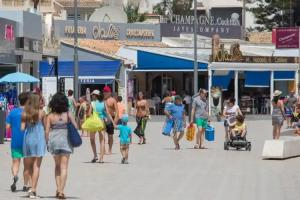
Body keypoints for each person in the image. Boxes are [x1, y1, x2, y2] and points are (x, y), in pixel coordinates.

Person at [45, 92, 77, 199]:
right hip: (65, 141)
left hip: (54, 141)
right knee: (64, 167)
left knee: (57, 166)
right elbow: (76, 126)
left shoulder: (50, 115)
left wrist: (47, 142)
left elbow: (46, 131)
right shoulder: (68, 114)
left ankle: (58, 188)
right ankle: (61, 191)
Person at [21, 93, 47, 199]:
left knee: (30, 165)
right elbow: (46, 128)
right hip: (39, 139)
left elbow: (22, 129)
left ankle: (30, 188)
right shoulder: (42, 113)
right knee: (37, 166)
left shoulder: (25, 113)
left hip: (28, 139)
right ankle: (34, 189)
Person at [6, 92, 31, 192]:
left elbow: (7, 127)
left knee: (15, 162)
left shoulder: (12, 112)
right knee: (27, 165)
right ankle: (25, 185)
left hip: (15, 141)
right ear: (28, 101)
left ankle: (15, 175)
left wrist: (14, 126)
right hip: (27, 141)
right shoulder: (30, 112)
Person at [87, 90, 113, 163]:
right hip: (101, 122)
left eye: (93, 95)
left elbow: (89, 114)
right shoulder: (104, 103)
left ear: (95, 95)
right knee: (102, 140)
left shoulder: (92, 103)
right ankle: (101, 159)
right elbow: (107, 113)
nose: (92, 96)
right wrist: (111, 122)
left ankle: (95, 155)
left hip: (94, 122)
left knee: (92, 139)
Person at [103, 86, 119, 154]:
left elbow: (117, 111)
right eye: (104, 92)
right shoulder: (102, 100)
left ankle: (110, 149)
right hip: (103, 118)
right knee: (102, 135)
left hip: (111, 118)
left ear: (109, 92)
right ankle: (103, 149)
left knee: (110, 135)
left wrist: (115, 120)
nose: (105, 93)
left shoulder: (113, 100)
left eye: (106, 92)